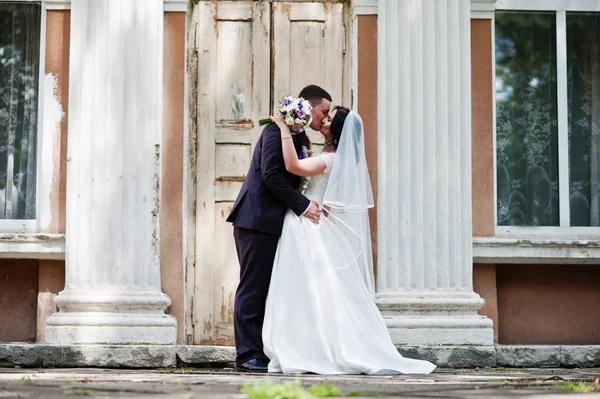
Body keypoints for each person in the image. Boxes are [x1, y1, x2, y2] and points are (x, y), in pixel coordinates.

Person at [262, 107, 437, 375]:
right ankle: (310, 343)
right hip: (309, 221)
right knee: (309, 288)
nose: (324, 120)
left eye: (330, 119)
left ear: (338, 131)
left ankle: (309, 348)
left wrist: (284, 129)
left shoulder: (330, 160)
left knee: (302, 286)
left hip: (306, 224)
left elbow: (292, 167)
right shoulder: (333, 159)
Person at [226, 85, 332, 372]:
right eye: (324, 111)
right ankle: (247, 354)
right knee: (253, 288)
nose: (325, 117)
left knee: (268, 289)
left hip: (273, 222)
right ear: (309, 106)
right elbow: (271, 173)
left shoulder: (298, 135)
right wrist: (303, 205)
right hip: (256, 219)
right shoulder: (277, 130)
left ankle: (263, 350)